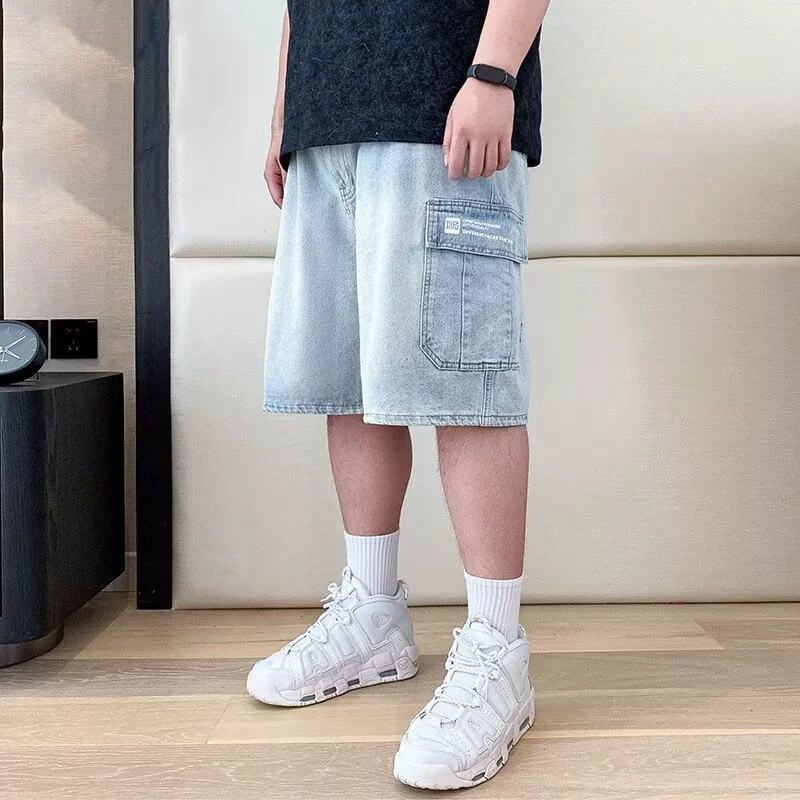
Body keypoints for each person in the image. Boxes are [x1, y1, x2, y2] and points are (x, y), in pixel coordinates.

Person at [247, 0, 550, 789]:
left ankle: (497, 650)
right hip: (326, 118)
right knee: (347, 380)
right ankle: (372, 610)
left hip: (443, 105)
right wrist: (286, 110)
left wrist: (493, 73)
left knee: (467, 383)